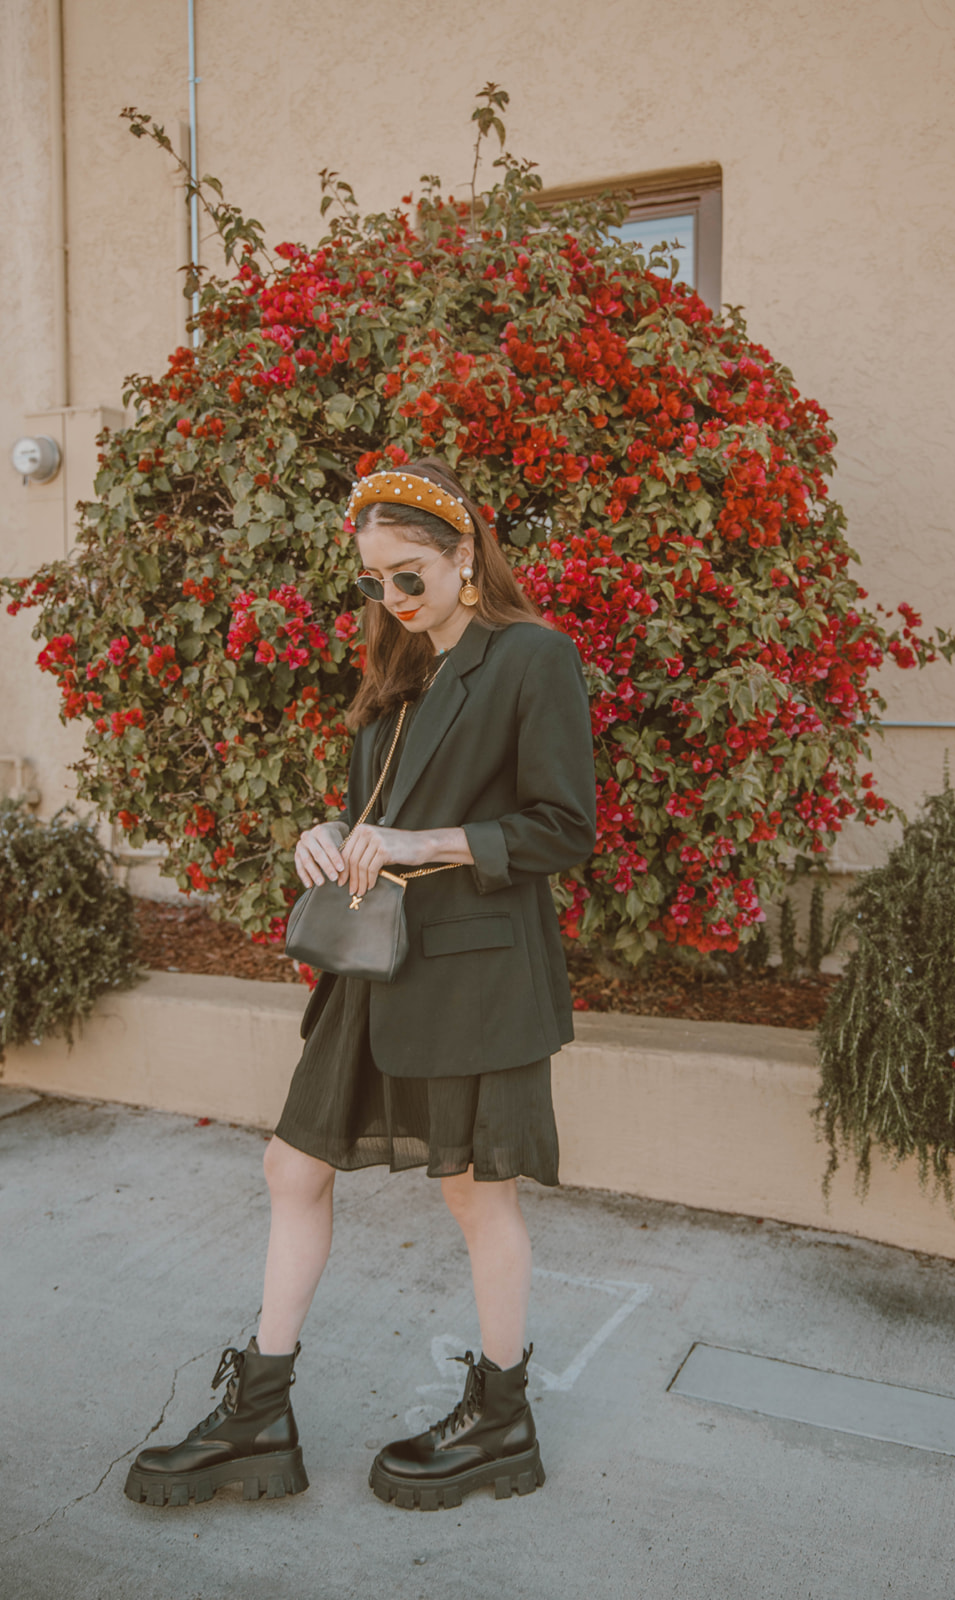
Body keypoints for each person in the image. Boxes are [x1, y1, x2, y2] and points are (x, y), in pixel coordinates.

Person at [124, 458, 597, 1511]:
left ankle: (500, 1418)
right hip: (374, 964)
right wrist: (329, 831)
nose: (391, 598)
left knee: (475, 1195)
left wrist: (415, 840)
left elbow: (563, 828)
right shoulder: (400, 669)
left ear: (464, 557)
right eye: (375, 580)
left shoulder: (532, 656)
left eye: (409, 576)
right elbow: (372, 811)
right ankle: (257, 1409)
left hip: (474, 976)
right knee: (292, 1169)